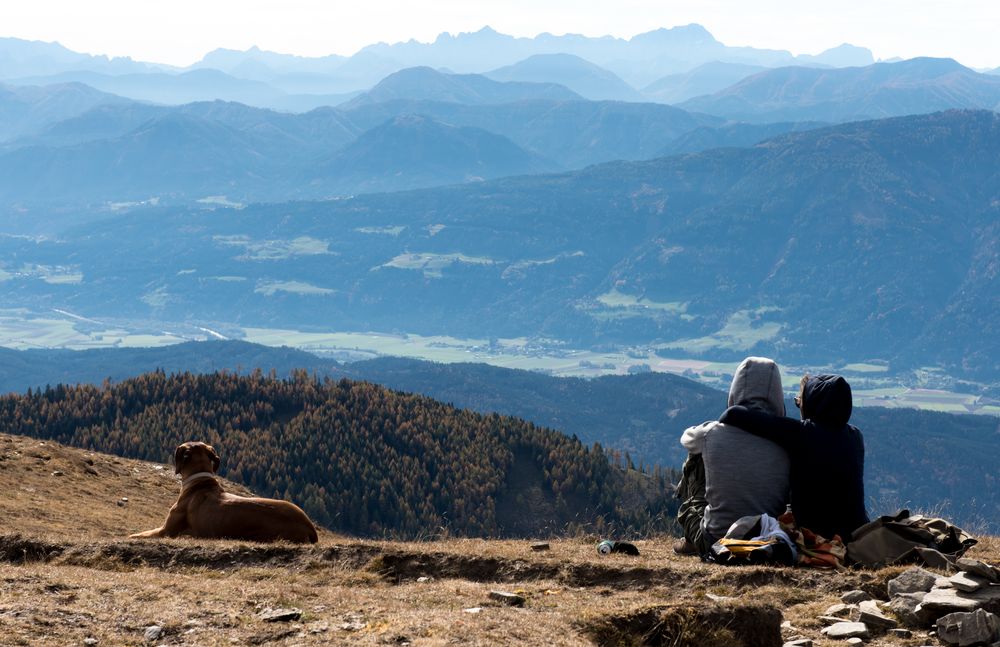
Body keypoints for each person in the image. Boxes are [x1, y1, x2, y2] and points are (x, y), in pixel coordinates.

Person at [719, 373, 869, 542]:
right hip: (856, 535)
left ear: (813, 404)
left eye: (799, 402)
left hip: (815, 534)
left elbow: (733, 414)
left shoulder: (802, 433)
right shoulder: (856, 436)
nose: (799, 407)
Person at [674, 357, 791, 555]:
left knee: (695, 459)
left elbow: (686, 439)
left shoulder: (711, 433)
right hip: (768, 535)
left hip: (716, 538)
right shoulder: (789, 438)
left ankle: (691, 540)